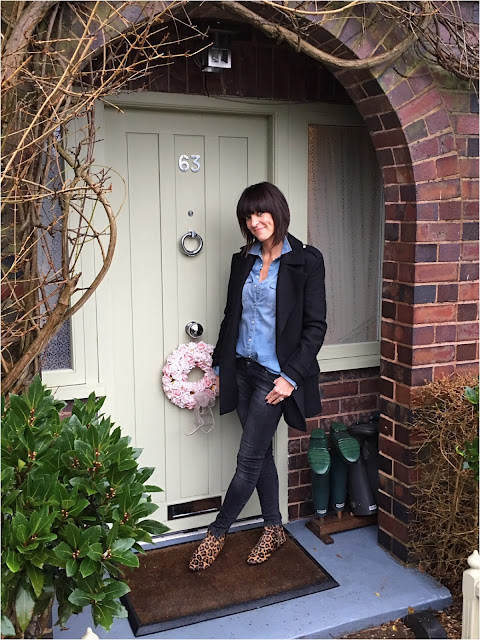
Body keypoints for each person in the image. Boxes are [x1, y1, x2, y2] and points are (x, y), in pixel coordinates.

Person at [188, 181, 327, 571]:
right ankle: (273, 528)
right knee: (261, 453)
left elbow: (316, 327)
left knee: (247, 460)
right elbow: (232, 314)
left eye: (261, 212)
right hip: (241, 370)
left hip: (273, 378)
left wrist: (292, 377)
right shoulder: (244, 258)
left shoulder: (306, 261)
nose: (254, 221)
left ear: (278, 211)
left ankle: (215, 535)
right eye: (248, 216)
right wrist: (219, 365)